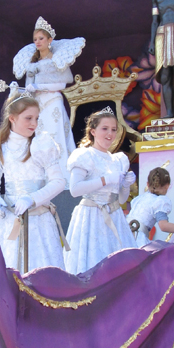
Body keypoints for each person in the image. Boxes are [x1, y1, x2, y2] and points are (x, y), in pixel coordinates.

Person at [0, 92, 66, 273]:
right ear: (12, 118)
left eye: (36, 118)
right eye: (28, 118)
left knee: (38, 271)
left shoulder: (41, 144)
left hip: (39, 220)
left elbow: (59, 181)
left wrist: (31, 199)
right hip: (8, 219)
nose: (34, 123)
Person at [63, 107, 136, 275]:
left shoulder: (119, 160)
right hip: (90, 217)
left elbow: (122, 199)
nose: (110, 133)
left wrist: (125, 185)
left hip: (115, 217)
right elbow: (75, 189)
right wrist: (105, 180)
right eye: (105, 128)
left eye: (113, 129)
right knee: (92, 265)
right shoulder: (84, 156)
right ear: (93, 131)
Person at [13, 17, 85, 186]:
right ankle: (43, 180)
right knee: (38, 139)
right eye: (35, 39)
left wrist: (39, 86)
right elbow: (29, 90)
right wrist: (18, 90)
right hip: (37, 106)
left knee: (55, 137)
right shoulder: (31, 65)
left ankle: (62, 179)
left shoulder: (57, 61)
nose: (38, 42)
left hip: (53, 103)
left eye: (41, 38)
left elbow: (62, 84)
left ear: (49, 40)